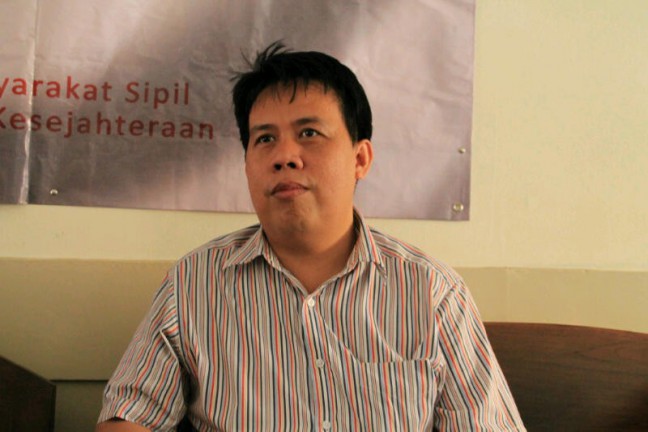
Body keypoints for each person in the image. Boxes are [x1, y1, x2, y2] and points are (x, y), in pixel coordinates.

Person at [97, 42, 525, 431]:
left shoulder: (432, 291)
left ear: (360, 158)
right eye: (265, 139)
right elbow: (129, 418)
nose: (285, 156)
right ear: (247, 165)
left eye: (309, 134)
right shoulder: (194, 283)